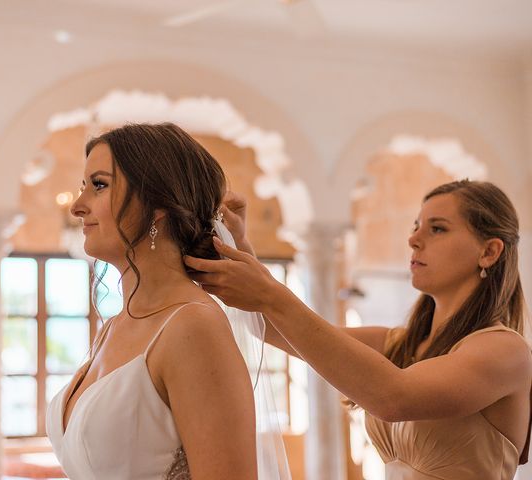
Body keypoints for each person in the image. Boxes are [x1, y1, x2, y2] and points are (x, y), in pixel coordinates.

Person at [185, 181, 532, 479]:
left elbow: (394, 398)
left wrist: (270, 294)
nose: (413, 238)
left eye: (437, 228)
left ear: (489, 251)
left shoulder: (505, 351)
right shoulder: (399, 343)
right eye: (416, 225)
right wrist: (240, 246)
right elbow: (277, 329)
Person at [46, 123, 261, 479]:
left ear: (158, 204)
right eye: (82, 187)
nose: (78, 207)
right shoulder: (115, 326)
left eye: (98, 185)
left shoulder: (194, 327)